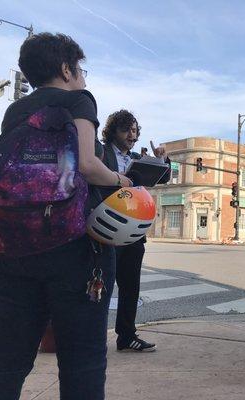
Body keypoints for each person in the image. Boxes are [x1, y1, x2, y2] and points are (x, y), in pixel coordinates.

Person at [0, 33, 132, 400]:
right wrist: (121, 180)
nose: (84, 77)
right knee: (83, 360)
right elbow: (87, 165)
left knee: (7, 361)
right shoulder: (78, 99)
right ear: (66, 68)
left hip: (13, 248)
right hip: (72, 248)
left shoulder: (15, 111)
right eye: (81, 69)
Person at [100, 109, 170, 352]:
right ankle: (93, 337)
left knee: (130, 287)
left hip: (133, 232)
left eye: (134, 130)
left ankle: (126, 336)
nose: (131, 134)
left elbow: (162, 178)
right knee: (101, 288)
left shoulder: (138, 159)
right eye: (126, 129)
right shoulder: (101, 153)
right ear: (113, 131)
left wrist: (162, 160)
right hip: (106, 230)